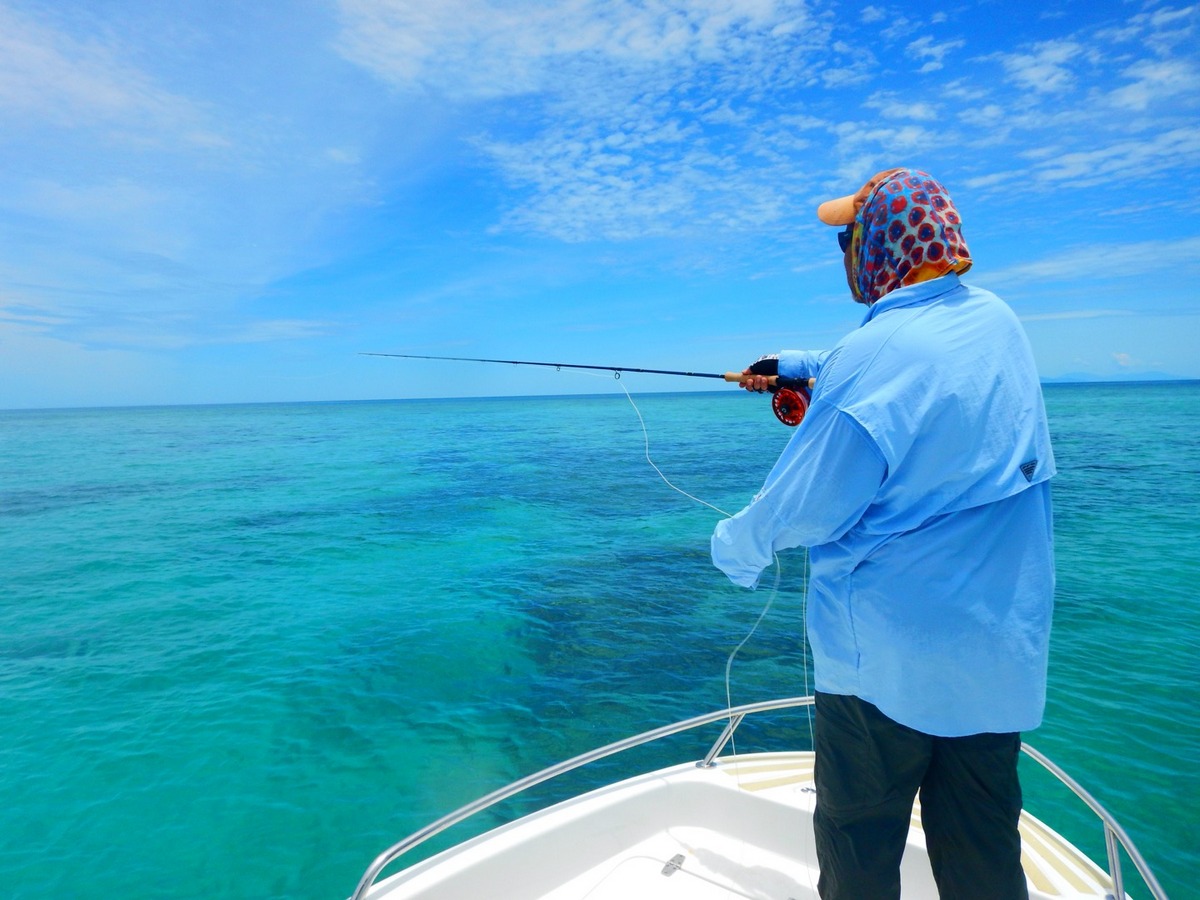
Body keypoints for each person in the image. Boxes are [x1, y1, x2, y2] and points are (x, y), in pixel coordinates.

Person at [711, 167, 1055, 900]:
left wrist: (731, 549)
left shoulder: (873, 362)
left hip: (883, 678)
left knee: (860, 854)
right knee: (984, 859)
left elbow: (799, 507)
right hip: (992, 664)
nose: (843, 252)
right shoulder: (997, 321)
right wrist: (799, 368)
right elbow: (913, 362)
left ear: (875, 243)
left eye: (847, 237)